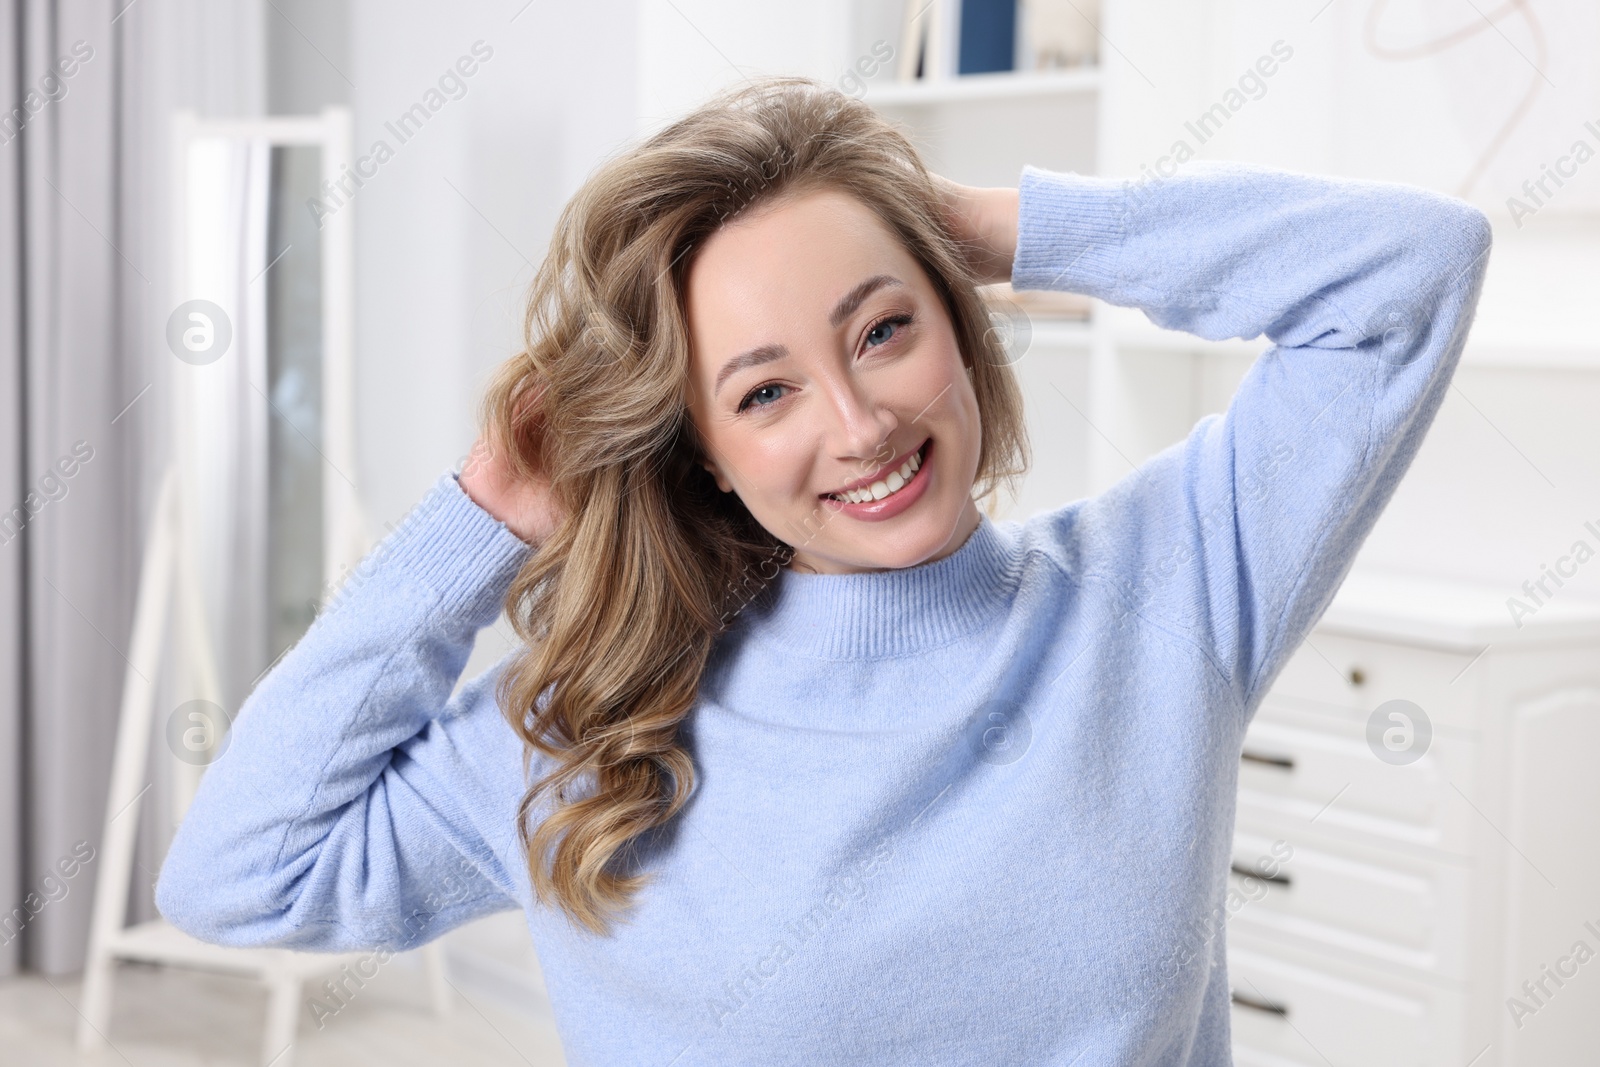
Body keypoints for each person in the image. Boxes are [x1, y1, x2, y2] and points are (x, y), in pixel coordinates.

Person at [156, 75, 1492, 1064]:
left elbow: (1409, 273)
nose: (858, 427)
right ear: (708, 456)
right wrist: (486, 514)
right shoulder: (586, 731)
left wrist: (971, 223)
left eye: (886, 327)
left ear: (960, 326)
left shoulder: (1168, 584)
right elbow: (236, 873)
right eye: (766, 391)